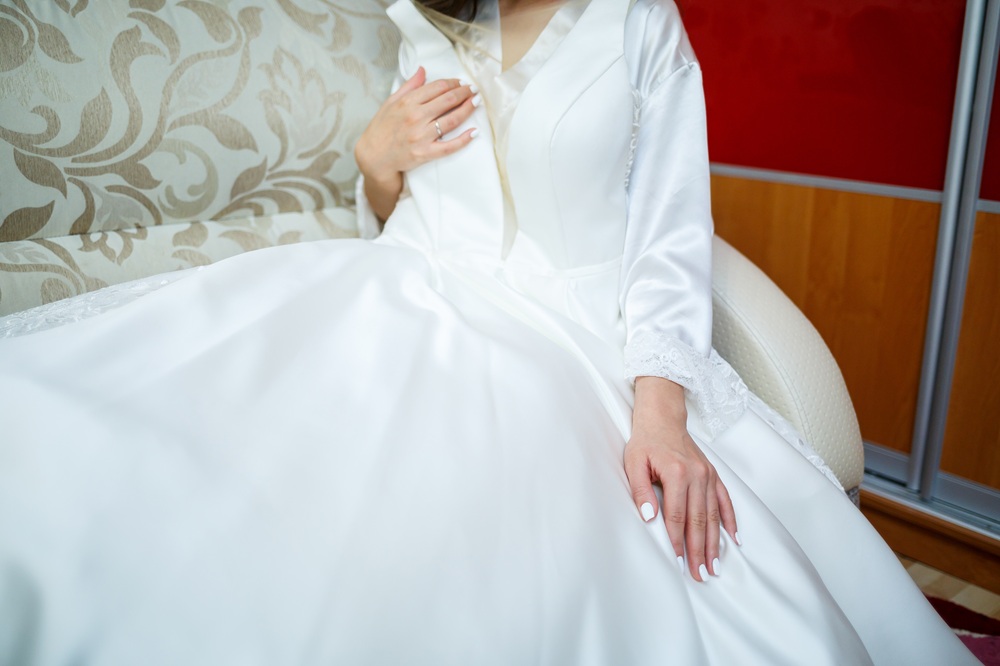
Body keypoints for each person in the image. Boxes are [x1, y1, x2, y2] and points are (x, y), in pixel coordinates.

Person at [0, 0, 977, 663]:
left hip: (573, 333)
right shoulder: (419, 20)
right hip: (398, 288)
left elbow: (671, 235)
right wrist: (372, 161)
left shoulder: (637, 19)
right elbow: (399, 205)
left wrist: (661, 407)